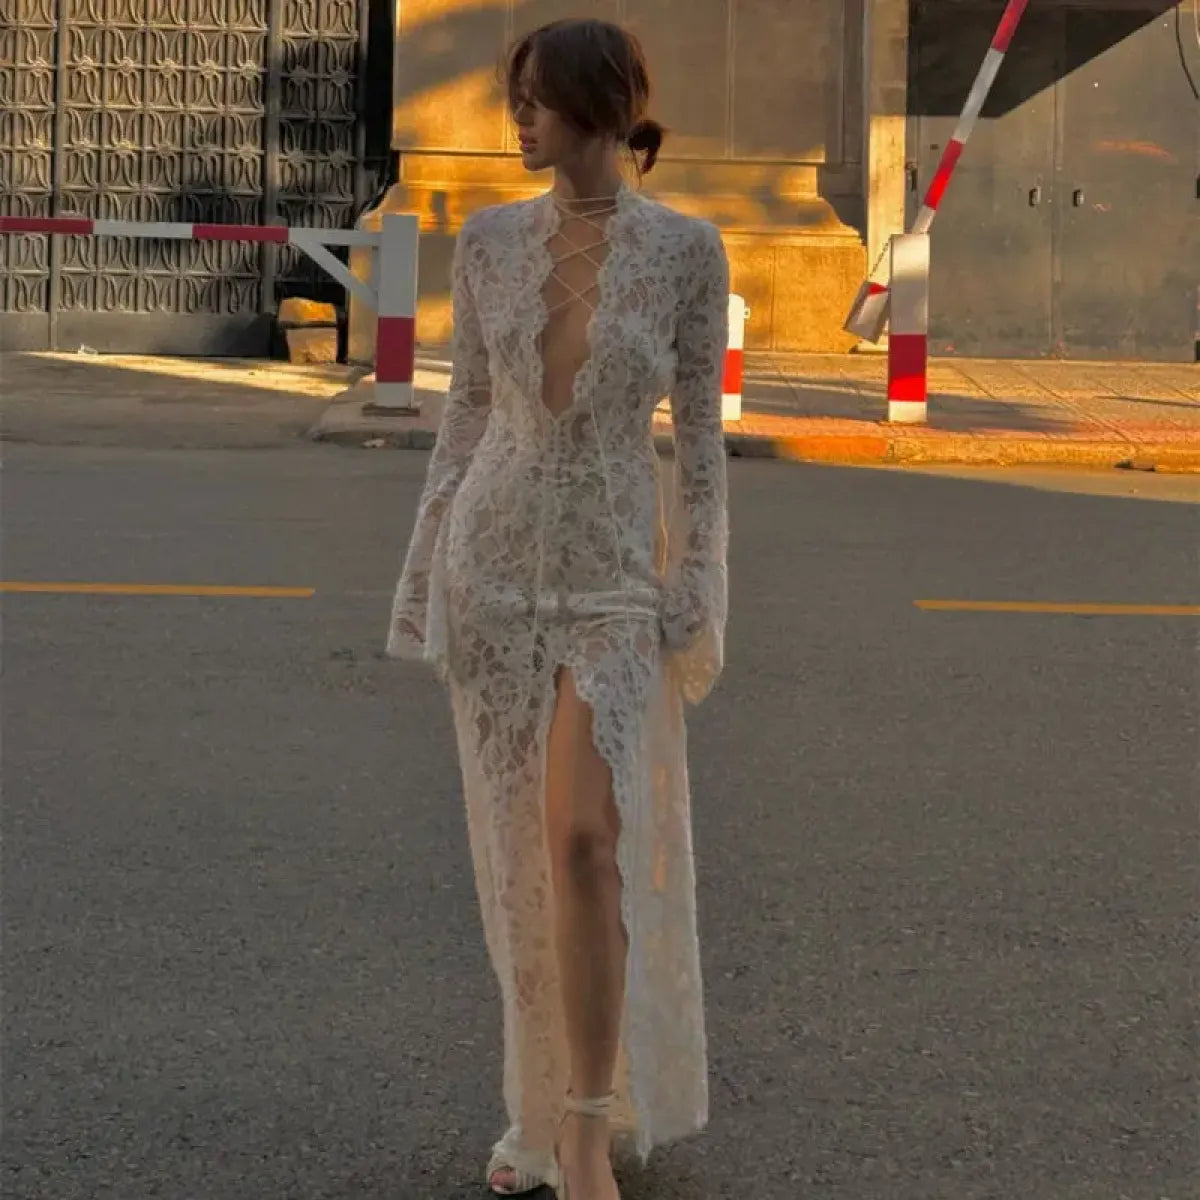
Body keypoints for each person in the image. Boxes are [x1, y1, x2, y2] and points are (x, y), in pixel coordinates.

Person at [386, 17, 729, 1200]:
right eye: (514, 98)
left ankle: (589, 1123)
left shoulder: (686, 251)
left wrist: (695, 587)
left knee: (587, 841)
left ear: (596, 103)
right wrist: (425, 579)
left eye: (533, 98)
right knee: (520, 859)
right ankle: (535, 1111)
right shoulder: (488, 242)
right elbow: (467, 420)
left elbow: (701, 446)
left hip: (613, 581)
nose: (517, 119)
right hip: (492, 570)